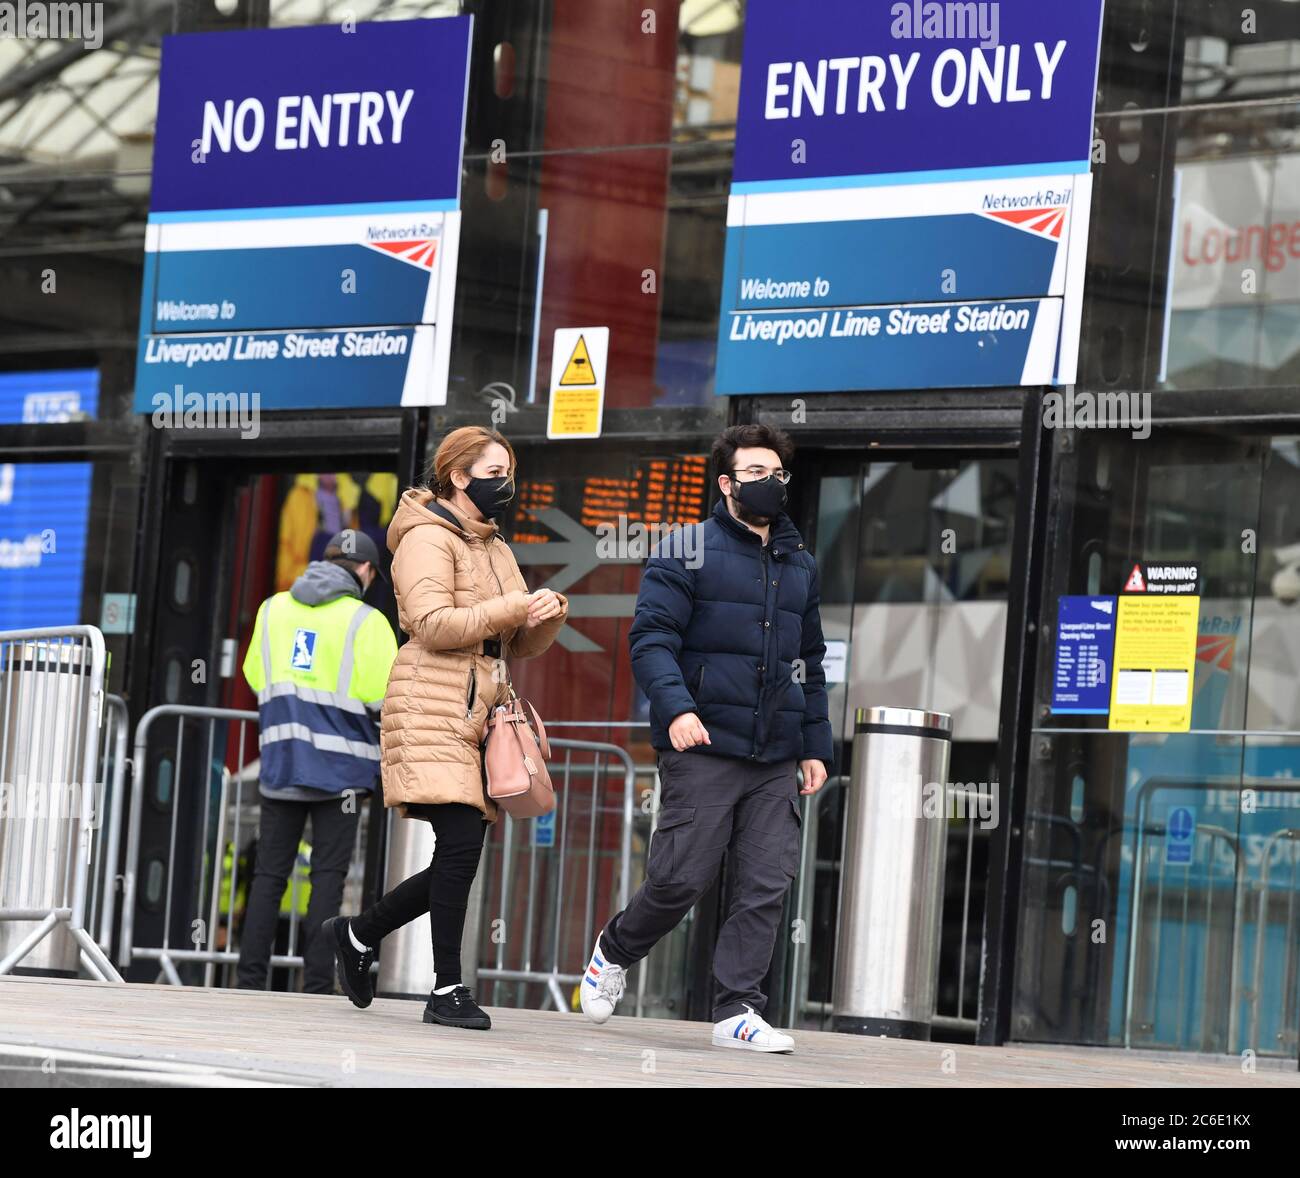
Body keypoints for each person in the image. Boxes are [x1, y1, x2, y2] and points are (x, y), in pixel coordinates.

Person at [579, 424, 831, 1053]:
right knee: (681, 879)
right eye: (754, 473)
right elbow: (651, 639)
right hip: (702, 743)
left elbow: (812, 661)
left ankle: (737, 1011)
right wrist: (676, 710)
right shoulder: (685, 548)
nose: (769, 483)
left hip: (774, 751)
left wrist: (814, 744)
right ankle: (614, 950)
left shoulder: (799, 563)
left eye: (777, 473)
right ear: (726, 483)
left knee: (765, 882)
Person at [324, 427, 568, 1029]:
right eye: (493, 471)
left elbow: (514, 640)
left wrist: (543, 616)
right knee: (460, 845)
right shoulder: (426, 537)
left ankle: (358, 935)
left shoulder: (494, 545)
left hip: (479, 707)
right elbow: (431, 622)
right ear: (458, 477)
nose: (504, 483)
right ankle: (446, 988)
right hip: (432, 699)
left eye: (508, 470)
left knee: (460, 850)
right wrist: (514, 608)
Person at [237, 528, 398, 994]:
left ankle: (248, 980)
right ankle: (315, 985)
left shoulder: (271, 610)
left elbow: (254, 675)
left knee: (269, 874)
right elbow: (382, 696)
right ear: (366, 572)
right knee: (327, 877)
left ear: (324, 560)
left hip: (282, 763)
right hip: (343, 774)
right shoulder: (367, 621)